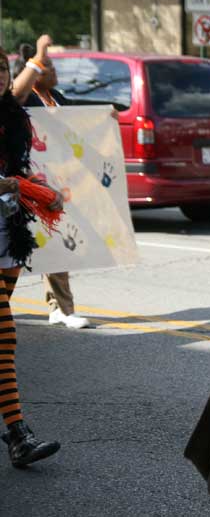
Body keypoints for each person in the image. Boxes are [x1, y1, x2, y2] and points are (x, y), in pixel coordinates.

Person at [0, 46, 62, 467]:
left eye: (0, 70)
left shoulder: (12, 113)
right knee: (5, 337)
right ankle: (18, 434)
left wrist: (37, 187)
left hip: (8, 234)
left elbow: (19, 167)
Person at [12, 36, 90, 329]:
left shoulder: (57, 98)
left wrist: (105, 117)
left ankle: (61, 308)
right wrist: (39, 53)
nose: (54, 71)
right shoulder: (23, 99)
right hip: (25, 181)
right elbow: (15, 95)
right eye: (48, 66)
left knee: (54, 241)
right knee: (17, 249)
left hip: (55, 184)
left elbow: (81, 125)